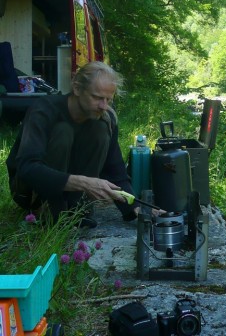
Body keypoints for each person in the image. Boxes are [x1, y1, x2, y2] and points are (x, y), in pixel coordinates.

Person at [6, 61, 139, 228]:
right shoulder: (44, 110)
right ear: (77, 88)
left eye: (108, 99)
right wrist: (84, 183)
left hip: (73, 192)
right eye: (97, 97)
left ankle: (78, 210)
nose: (103, 106)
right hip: (29, 190)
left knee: (100, 129)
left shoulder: (105, 118)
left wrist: (136, 207)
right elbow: (27, 167)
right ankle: (48, 210)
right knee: (63, 131)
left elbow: (114, 170)